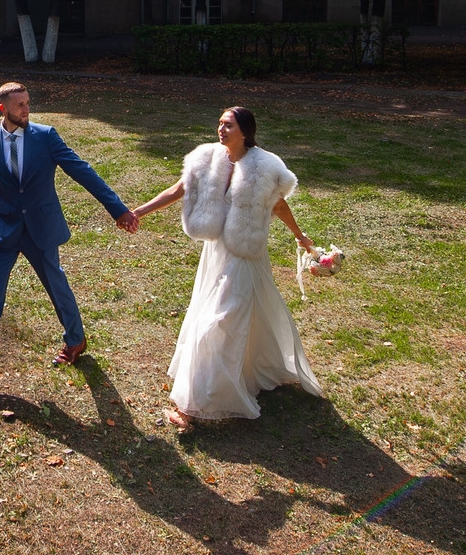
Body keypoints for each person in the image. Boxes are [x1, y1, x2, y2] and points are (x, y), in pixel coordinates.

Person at [0, 82, 138, 401]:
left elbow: (82, 171)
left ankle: (76, 340)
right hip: (5, 229)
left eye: (28, 103)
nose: (26, 109)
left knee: (56, 286)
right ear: (2, 109)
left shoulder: (46, 137)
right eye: (19, 105)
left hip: (41, 229)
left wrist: (117, 209)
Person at [130, 106, 323, 430]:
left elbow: (278, 204)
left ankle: (194, 405)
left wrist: (301, 236)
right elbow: (178, 190)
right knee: (245, 313)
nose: (221, 129)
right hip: (217, 251)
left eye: (228, 125)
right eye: (219, 123)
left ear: (245, 131)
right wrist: (137, 211)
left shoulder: (263, 166)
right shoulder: (209, 159)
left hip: (246, 254)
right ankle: (254, 369)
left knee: (220, 320)